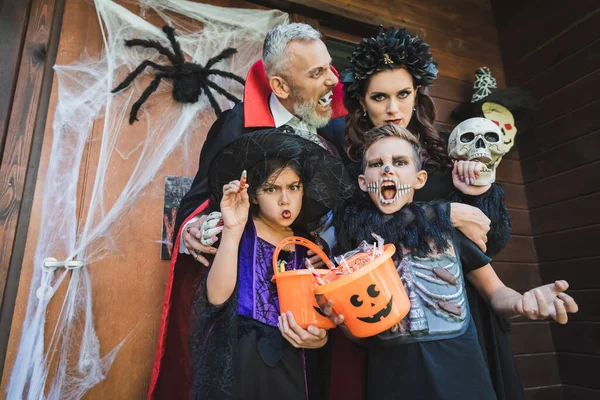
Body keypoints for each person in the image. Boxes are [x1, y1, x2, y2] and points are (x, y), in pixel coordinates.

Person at [148, 23, 347, 399]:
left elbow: (334, 219)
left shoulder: (332, 133)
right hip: (242, 310)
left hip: (302, 317)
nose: (332, 82)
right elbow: (198, 200)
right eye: (317, 73)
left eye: (330, 67)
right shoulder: (235, 127)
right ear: (282, 87)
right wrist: (193, 227)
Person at [326, 26, 518, 400]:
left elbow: (490, 242)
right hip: (395, 327)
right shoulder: (352, 163)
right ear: (363, 102)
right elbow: (357, 226)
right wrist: (445, 212)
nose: (392, 108)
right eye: (379, 97)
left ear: (417, 94)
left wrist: (480, 193)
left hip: (463, 315)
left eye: (403, 94)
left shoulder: (446, 156)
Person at [329, 125, 578, 400]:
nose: (388, 169)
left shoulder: (448, 231)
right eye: (377, 164)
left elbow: (495, 292)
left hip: (463, 377)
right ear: (364, 182)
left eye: (399, 162)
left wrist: (521, 301)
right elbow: (361, 334)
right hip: (393, 380)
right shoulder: (357, 254)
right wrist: (343, 324)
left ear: (419, 178)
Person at [190, 128, 352, 399]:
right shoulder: (241, 231)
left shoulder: (306, 245)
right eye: (271, 189)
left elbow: (322, 313)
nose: (285, 199)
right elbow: (216, 298)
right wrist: (232, 229)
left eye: (293, 187)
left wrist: (320, 335)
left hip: (294, 362)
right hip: (242, 360)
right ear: (253, 195)